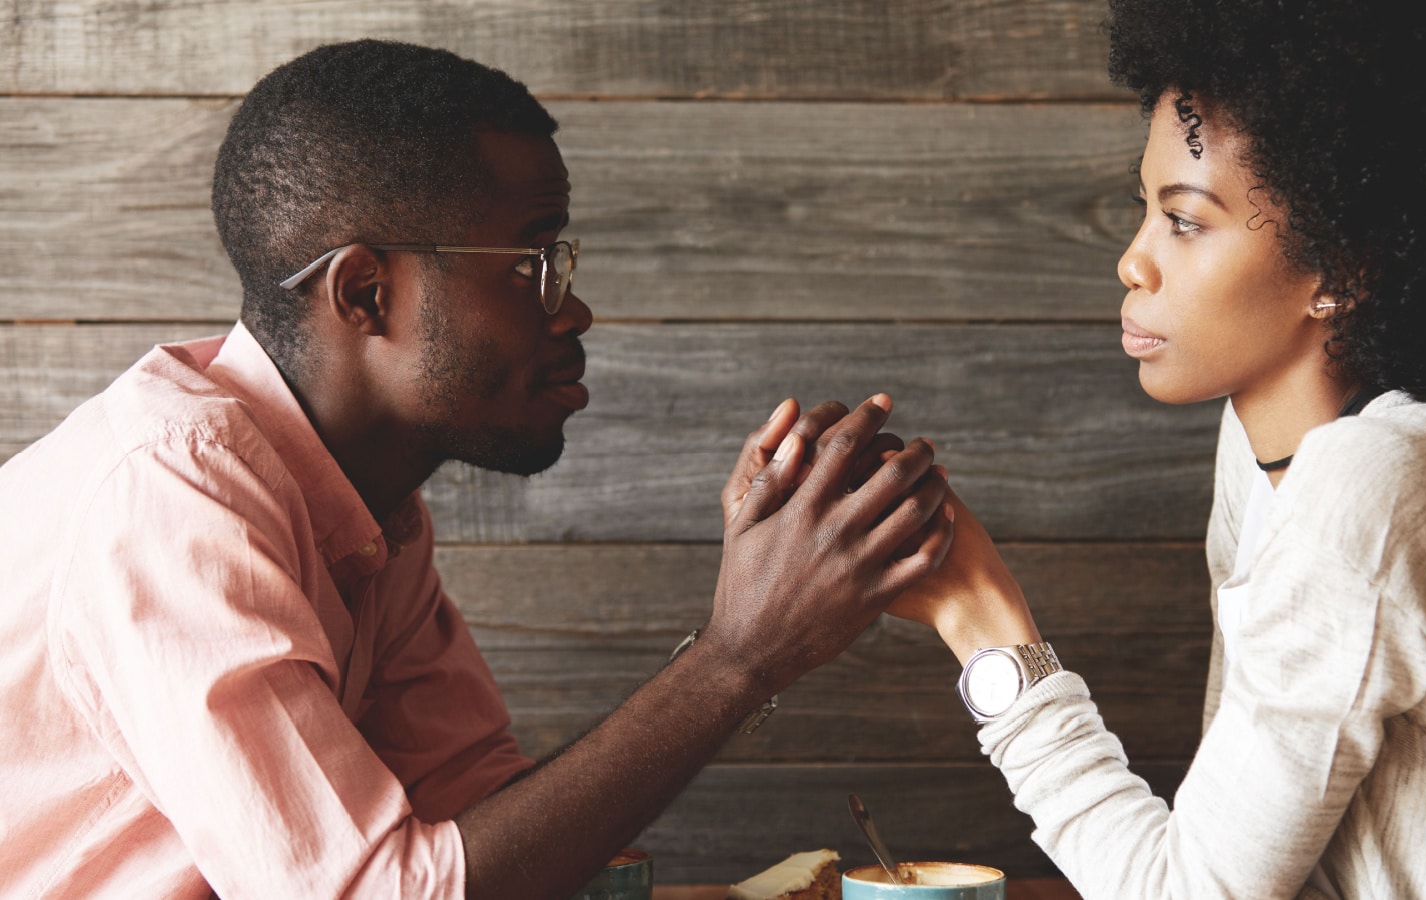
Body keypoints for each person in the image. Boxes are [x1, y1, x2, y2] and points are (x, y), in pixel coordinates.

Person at [0, 40, 954, 899]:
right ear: (366, 292)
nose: (572, 311)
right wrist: (738, 655)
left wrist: (756, 607)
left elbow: (485, 824)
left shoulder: (374, 516)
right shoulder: (170, 500)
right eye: (533, 263)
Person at [888, 0, 1426, 897]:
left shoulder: (1372, 483)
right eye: (1145, 209)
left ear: (1342, 270)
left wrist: (981, 619)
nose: (1133, 262)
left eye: (1184, 221)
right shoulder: (1269, 457)